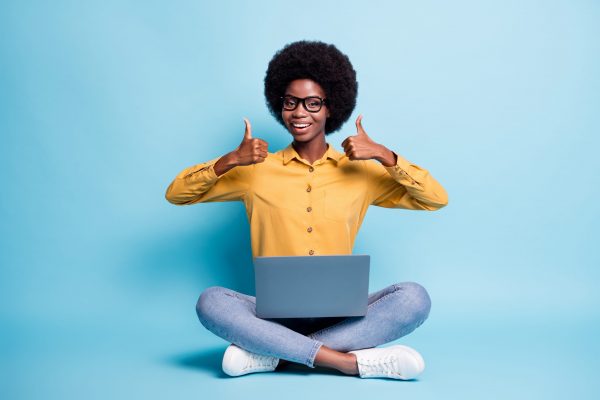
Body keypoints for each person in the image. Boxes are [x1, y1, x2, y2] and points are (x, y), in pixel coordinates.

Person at [165, 40, 448, 380]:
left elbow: (434, 198)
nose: (300, 113)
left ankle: (271, 354)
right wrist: (230, 161)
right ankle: (347, 362)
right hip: (271, 316)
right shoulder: (254, 170)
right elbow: (177, 194)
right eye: (290, 103)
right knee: (210, 301)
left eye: (313, 103)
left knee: (414, 298)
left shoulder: (362, 172)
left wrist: (384, 155)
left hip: (342, 316)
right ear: (279, 106)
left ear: (331, 108)